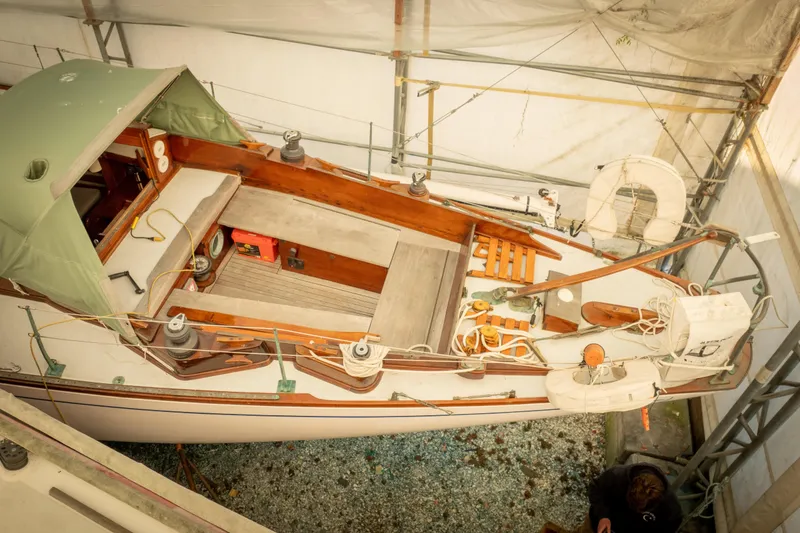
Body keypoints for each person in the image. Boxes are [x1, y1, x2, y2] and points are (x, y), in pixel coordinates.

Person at [584, 463, 683, 533]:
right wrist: (603, 516)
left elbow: (668, 529)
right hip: (596, 525)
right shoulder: (616, 475)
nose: (635, 511)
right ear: (630, 487)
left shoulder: (671, 509)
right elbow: (596, 488)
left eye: (640, 510)